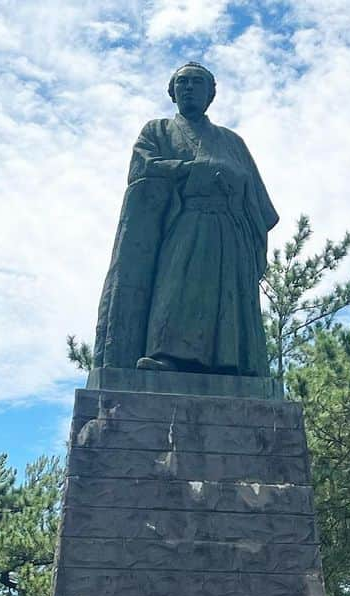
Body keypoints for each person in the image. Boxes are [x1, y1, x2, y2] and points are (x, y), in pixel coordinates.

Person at [92, 62, 278, 376]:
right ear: (173, 92)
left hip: (230, 231)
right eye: (183, 82)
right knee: (175, 288)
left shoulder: (232, 142)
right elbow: (143, 167)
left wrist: (231, 186)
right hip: (184, 221)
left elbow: (259, 202)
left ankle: (229, 362)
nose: (189, 87)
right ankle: (166, 355)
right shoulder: (157, 131)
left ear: (210, 94)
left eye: (197, 82)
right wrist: (188, 169)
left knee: (227, 297)